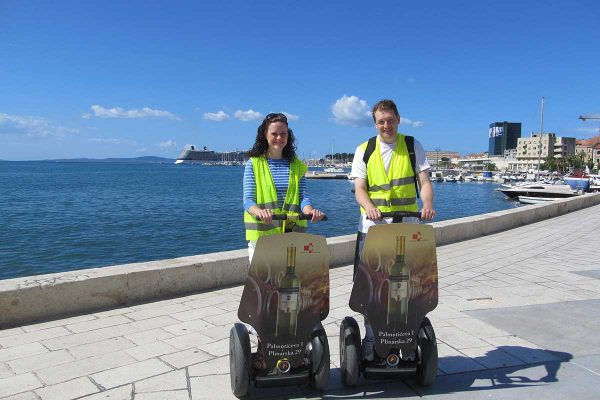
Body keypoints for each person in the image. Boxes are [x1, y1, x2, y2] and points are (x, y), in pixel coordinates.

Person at [350, 99, 436, 361]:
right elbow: (360, 189)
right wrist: (369, 207)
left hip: (408, 227)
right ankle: (372, 337)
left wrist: (428, 203)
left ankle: (406, 336)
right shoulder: (364, 150)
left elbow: (424, 181)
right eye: (380, 121)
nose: (386, 125)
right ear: (375, 123)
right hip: (374, 228)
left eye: (390, 120)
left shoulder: (412, 146)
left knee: (409, 285)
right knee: (370, 287)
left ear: (398, 119)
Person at [243, 112, 326, 262]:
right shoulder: (253, 164)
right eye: (274, 134)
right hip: (263, 238)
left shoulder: (297, 165)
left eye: (283, 134)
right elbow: (248, 200)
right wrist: (259, 212)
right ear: (265, 135)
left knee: (291, 284)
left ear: (289, 136)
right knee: (265, 285)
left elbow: (303, 197)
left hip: (292, 236)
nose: (279, 138)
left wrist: (310, 211)